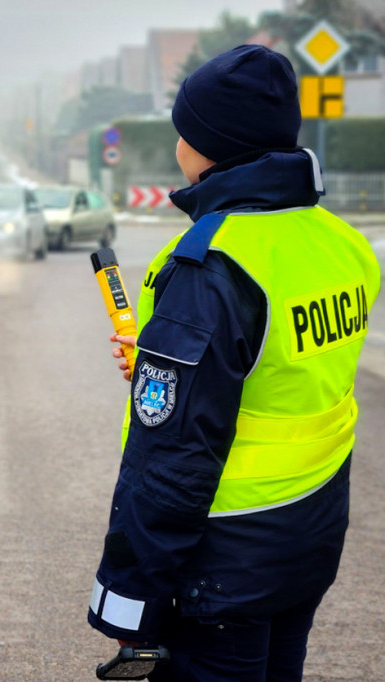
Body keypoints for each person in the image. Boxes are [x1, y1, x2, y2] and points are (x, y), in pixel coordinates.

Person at [87, 45, 380, 681]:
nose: (176, 147)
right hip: (309, 536)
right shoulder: (342, 243)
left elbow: (171, 458)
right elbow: (282, 370)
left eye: (182, 132)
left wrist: (128, 597)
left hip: (224, 559)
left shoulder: (210, 263)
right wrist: (169, 357)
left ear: (207, 146)